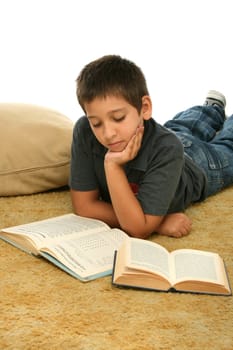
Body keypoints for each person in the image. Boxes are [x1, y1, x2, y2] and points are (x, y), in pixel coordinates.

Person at [69, 54, 233, 239]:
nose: (108, 133)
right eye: (97, 123)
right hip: (171, 135)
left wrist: (112, 165)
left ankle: (213, 111)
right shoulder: (84, 130)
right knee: (184, 126)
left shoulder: (167, 148)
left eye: (118, 118)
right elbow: (84, 206)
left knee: (227, 145)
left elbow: (138, 229)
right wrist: (157, 223)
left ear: (145, 108)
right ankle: (212, 108)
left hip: (197, 163)